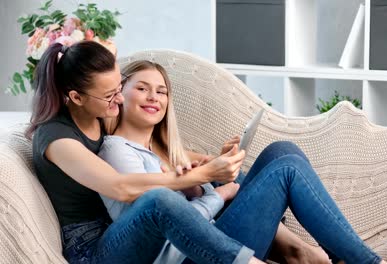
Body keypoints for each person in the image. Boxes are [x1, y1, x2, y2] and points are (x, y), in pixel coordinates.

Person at [28, 41, 312, 264]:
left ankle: (298, 249)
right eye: (110, 94)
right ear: (75, 97)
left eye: (119, 88)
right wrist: (200, 177)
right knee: (160, 199)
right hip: (94, 250)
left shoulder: (99, 113)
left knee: (276, 158)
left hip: (125, 230)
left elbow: (153, 148)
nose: (119, 99)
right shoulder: (57, 139)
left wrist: (210, 162)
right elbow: (121, 187)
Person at [96, 59, 387, 264]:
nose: (154, 98)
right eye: (142, 88)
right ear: (120, 93)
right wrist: (221, 193)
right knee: (285, 169)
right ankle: (366, 262)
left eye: (162, 92)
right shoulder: (117, 150)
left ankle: (336, 258)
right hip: (194, 256)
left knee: (281, 151)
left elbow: (199, 209)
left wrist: (207, 185)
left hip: (213, 236)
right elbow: (164, 230)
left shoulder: (164, 153)